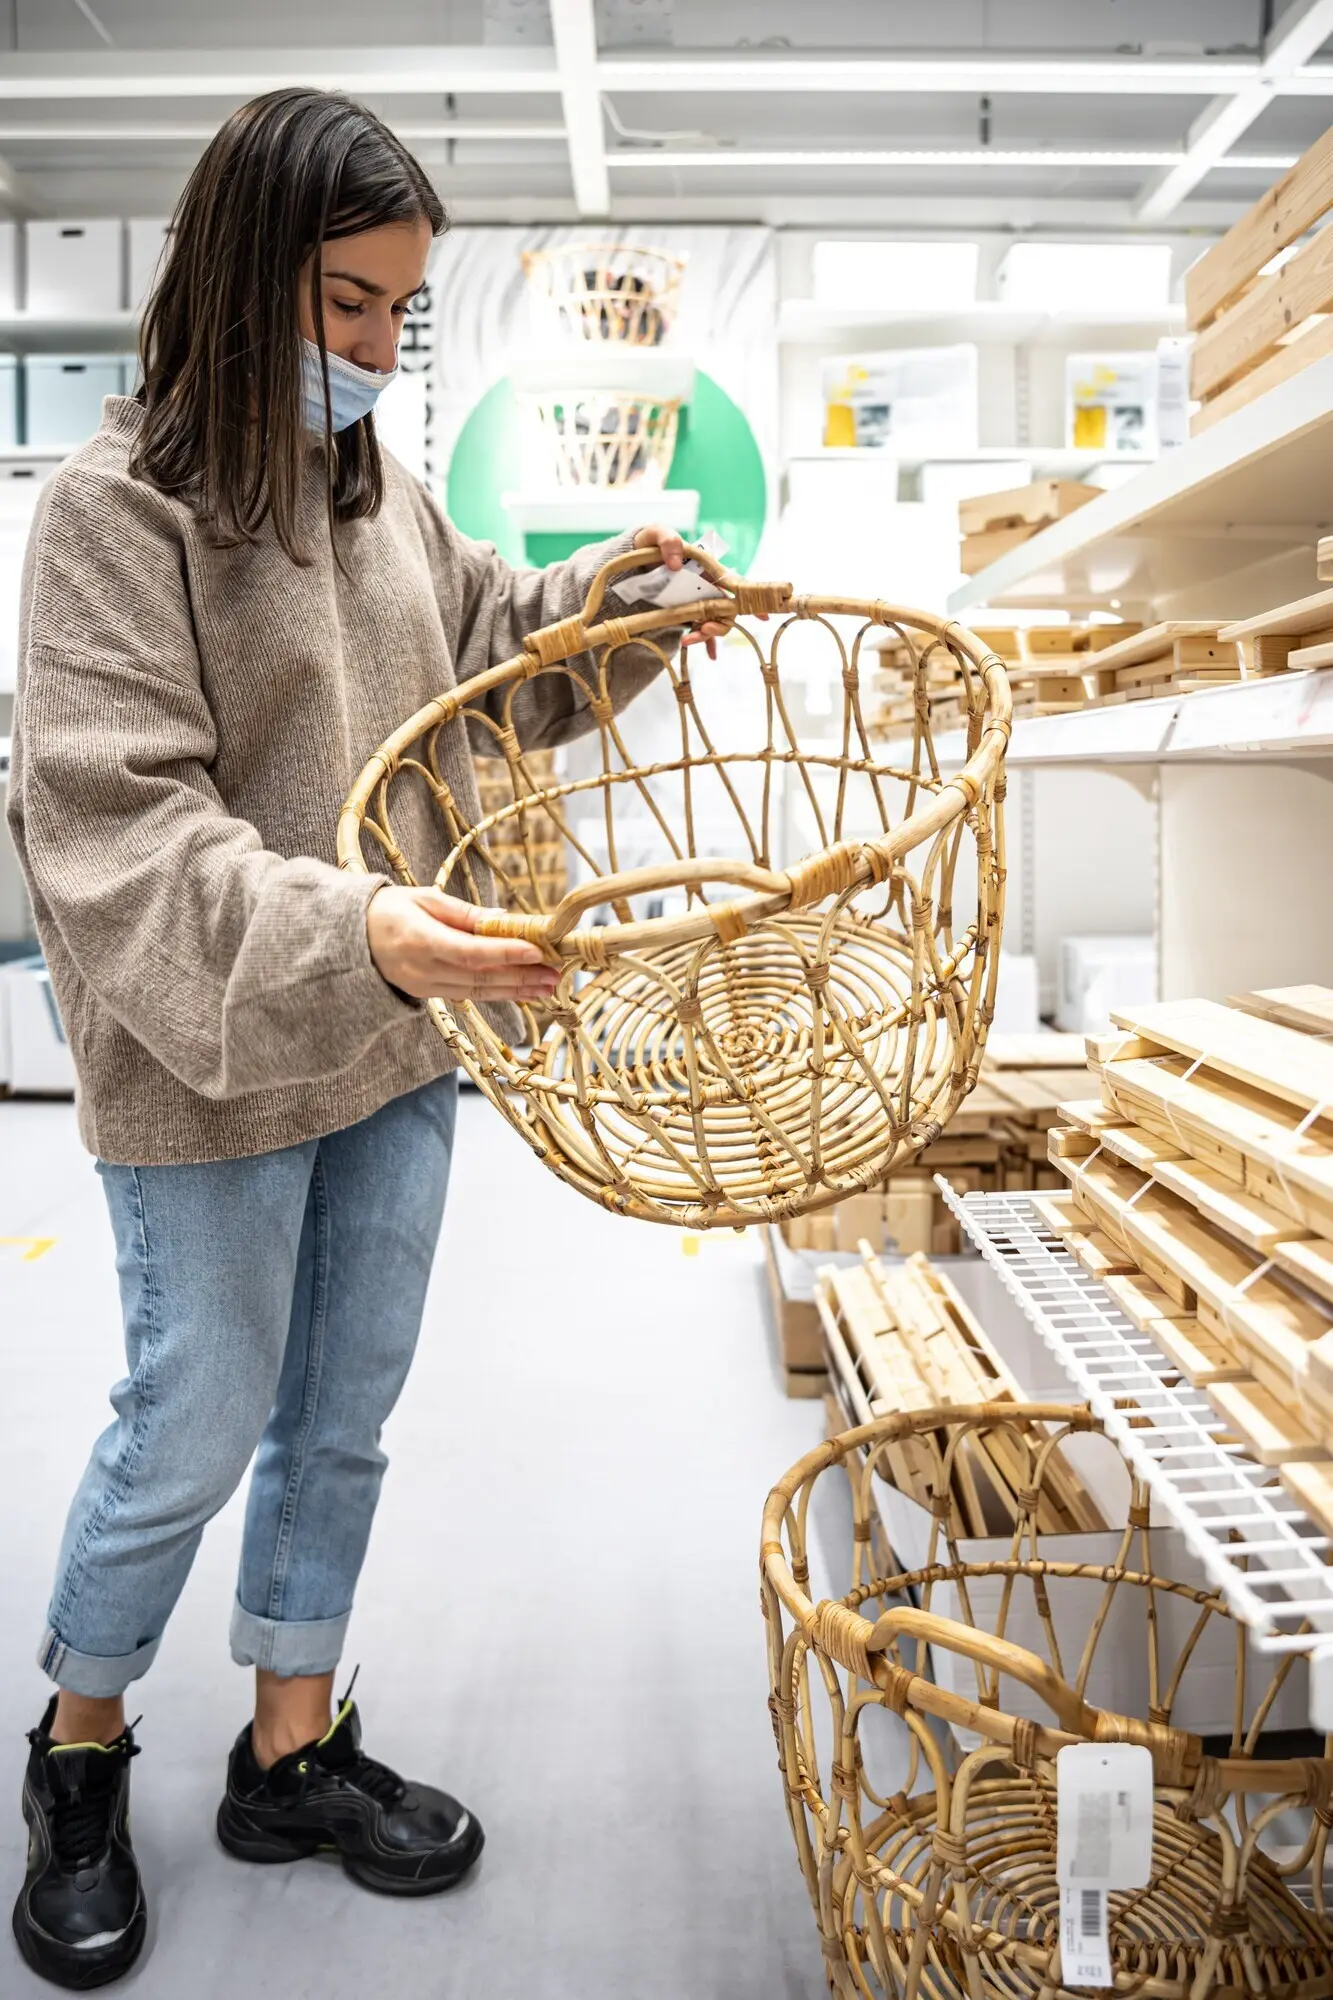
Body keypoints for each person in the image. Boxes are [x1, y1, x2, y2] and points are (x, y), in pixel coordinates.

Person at [6, 88, 722, 1990]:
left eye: (402, 314)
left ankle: (288, 1747)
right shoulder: (112, 514)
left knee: (343, 1419)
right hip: (218, 1058)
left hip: (400, 1045)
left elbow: (484, 640)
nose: (378, 354)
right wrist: (369, 931)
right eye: (346, 308)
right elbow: (123, 829)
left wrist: (611, 602)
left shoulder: (378, 490)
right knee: (197, 1417)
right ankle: (77, 1758)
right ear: (242, 284)